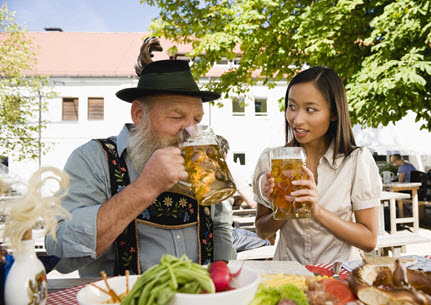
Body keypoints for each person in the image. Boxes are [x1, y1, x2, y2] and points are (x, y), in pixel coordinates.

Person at [45, 38, 236, 277]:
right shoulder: (93, 159)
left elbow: (219, 224)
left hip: (200, 304)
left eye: (197, 119)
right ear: (138, 114)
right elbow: (60, 255)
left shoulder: (202, 159)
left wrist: (224, 274)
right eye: (177, 117)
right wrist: (145, 187)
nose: (191, 131)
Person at [252, 66, 382, 265]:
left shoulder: (356, 160)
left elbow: (369, 240)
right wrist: (285, 208)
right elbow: (262, 231)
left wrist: (317, 210)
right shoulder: (272, 159)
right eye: (292, 106)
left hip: (339, 275)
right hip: (289, 274)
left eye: (310, 109)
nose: (297, 119)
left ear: (334, 114)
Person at [216, 135, 271, 252]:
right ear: (225, 154)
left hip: (208, 233)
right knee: (265, 241)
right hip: (221, 234)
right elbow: (253, 203)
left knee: (238, 227)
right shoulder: (228, 169)